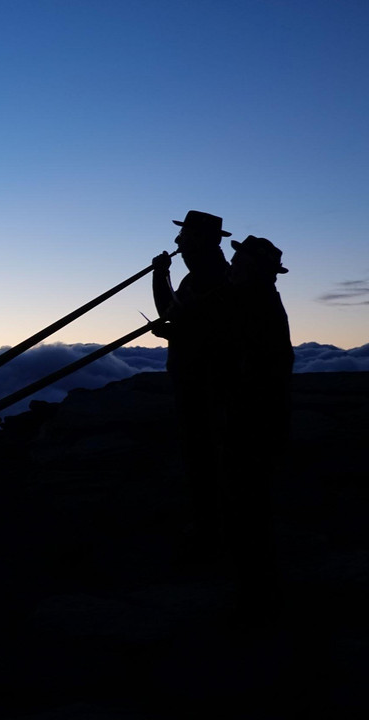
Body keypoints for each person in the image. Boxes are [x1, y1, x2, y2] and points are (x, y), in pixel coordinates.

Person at [151, 210, 232, 558]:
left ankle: (211, 532)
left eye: (183, 237)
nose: (177, 243)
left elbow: (206, 330)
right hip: (194, 375)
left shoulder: (213, 278)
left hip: (205, 381)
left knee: (205, 454)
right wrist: (160, 276)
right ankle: (209, 526)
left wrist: (175, 330)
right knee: (200, 453)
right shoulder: (199, 276)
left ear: (200, 239)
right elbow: (173, 311)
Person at [224, 235, 293, 615]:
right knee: (253, 502)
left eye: (238, 263)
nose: (231, 268)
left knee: (249, 503)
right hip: (264, 412)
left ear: (250, 268)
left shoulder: (251, 301)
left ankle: (257, 600)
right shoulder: (262, 298)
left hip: (253, 415)